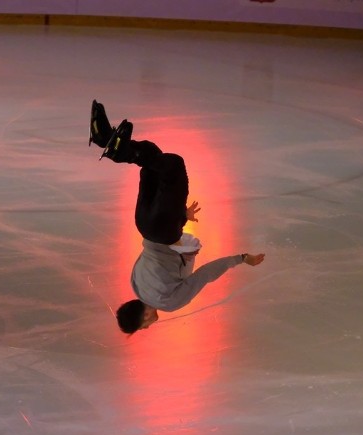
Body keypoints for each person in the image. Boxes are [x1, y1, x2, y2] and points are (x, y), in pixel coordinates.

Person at [89, 100, 266, 334]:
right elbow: (158, 255)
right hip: (143, 224)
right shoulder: (135, 283)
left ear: (144, 317)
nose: (149, 326)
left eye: (144, 326)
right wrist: (180, 216)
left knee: (173, 166)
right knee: (153, 159)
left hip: (164, 230)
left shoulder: (170, 303)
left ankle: (119, 151)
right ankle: (106, 138)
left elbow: (204, 275)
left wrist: (242, 258)